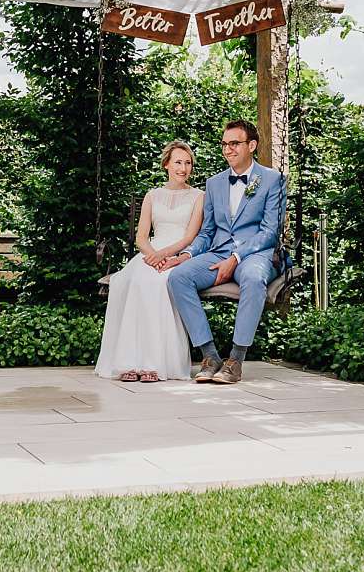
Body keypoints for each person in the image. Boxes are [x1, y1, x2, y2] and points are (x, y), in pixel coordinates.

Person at [164, 120, 285, 386]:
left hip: (255, 254)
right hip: (218, 252)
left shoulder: (271, 179)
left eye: (234, 143)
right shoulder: (215, 183)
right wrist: (187, 255)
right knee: (178, 278)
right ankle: (210, 356)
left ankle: (235, 360)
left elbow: (269, 232)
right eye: (224, 144)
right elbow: (207, 232)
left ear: (251, 146)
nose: (228, 149)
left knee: (253, 279)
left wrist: (237, 258)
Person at [95, 141, 203, 383]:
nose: (183, 168)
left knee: (159, 284)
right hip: (150, 253)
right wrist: (152, 255)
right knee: (132, 281)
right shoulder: (152, 195)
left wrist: (164, 256)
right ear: (166, 164)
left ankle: (155, 363)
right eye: (178, 162)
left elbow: (189, 237)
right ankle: (130, 361)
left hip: (177, 256)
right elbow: (141, 237)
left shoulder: (199, 196)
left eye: (187, 163)